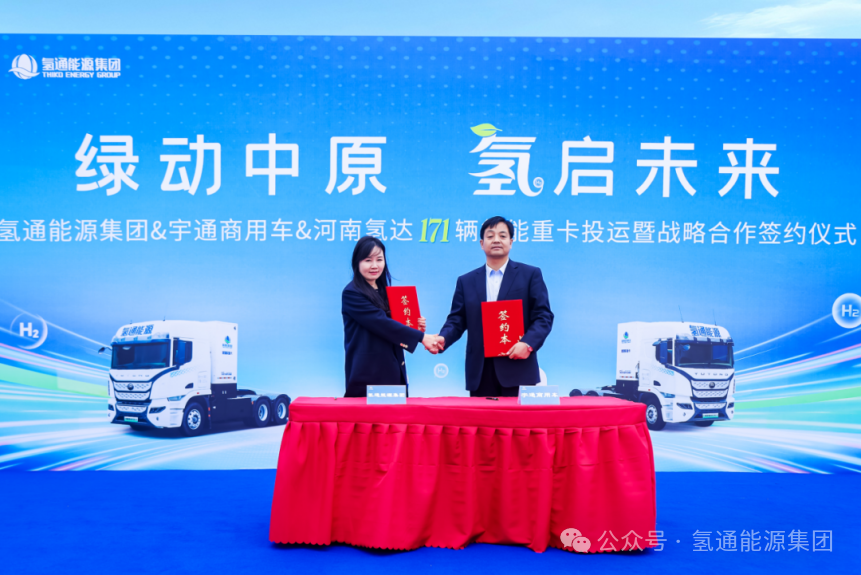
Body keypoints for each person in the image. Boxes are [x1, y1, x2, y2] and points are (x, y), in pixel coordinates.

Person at [431, 216, 553, 397]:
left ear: (511, 242)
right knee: (481, 416)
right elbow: (457, 319)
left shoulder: (530, 275)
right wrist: (443, 338)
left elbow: (543, 316)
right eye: (490, 236)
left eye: (502, 236)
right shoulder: (466, 281)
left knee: (516, 417)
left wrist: (527, 344)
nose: (496, 240)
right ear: (482, 243)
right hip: (480, 370)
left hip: (517, 365)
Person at [342, 236, 442, 398]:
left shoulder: (385, 291)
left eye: (379, 259)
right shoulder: (352, 293)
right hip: (368, 374)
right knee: (372, 415)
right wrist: (421, 337)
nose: (374, 265)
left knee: (395, 413)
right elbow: (381, 323)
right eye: (368, 260)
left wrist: (413, 325)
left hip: (393, 369)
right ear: (357, 262)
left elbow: (391, 324)